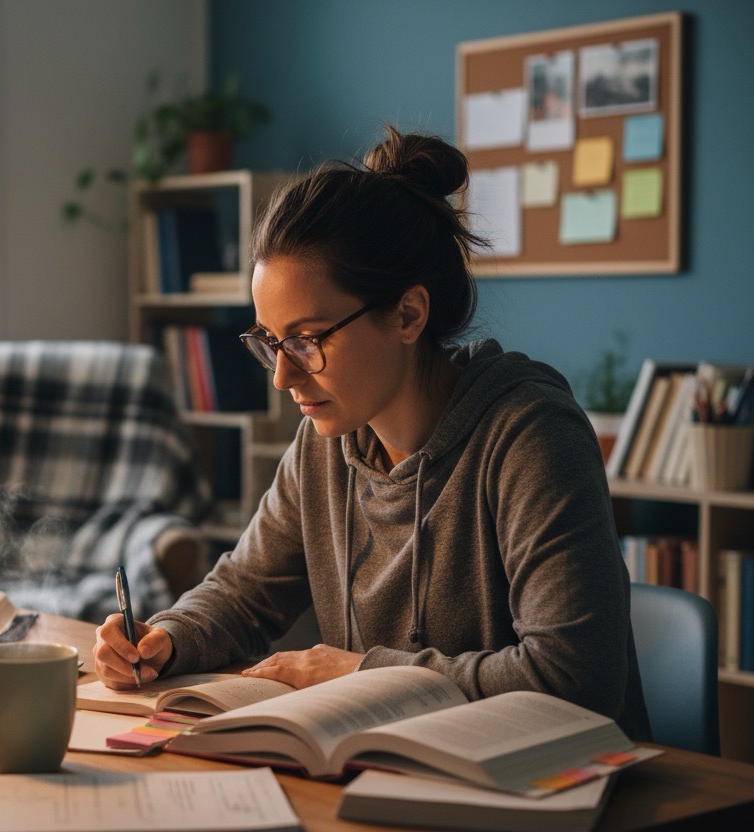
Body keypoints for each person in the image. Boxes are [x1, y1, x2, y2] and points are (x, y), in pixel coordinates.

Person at [94, 125, 651, 740]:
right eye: (271, 343)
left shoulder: (531, 437)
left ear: (408, 315)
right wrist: (164, 638)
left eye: (306, 341)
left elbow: (576, 680)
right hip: (400, 769)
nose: (281, 377)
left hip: (553, 783)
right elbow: (242, 592)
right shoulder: (326, 441)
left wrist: (362, 673)